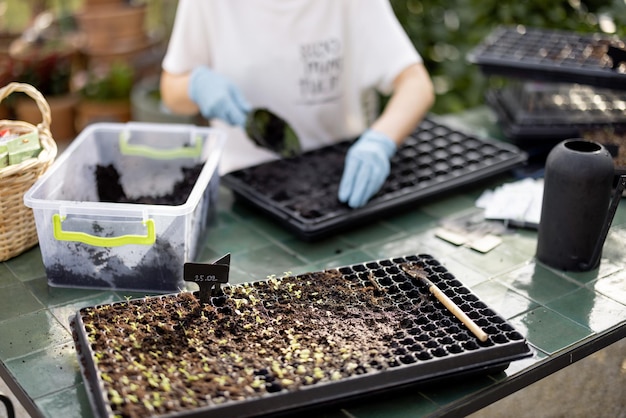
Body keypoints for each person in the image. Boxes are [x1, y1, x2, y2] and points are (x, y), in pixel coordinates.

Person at [160, 0, 434, 208]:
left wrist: (380, 141)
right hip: (239, 189)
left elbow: (416, 84)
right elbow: (171, 92)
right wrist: (195, 85)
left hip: (337, 180)